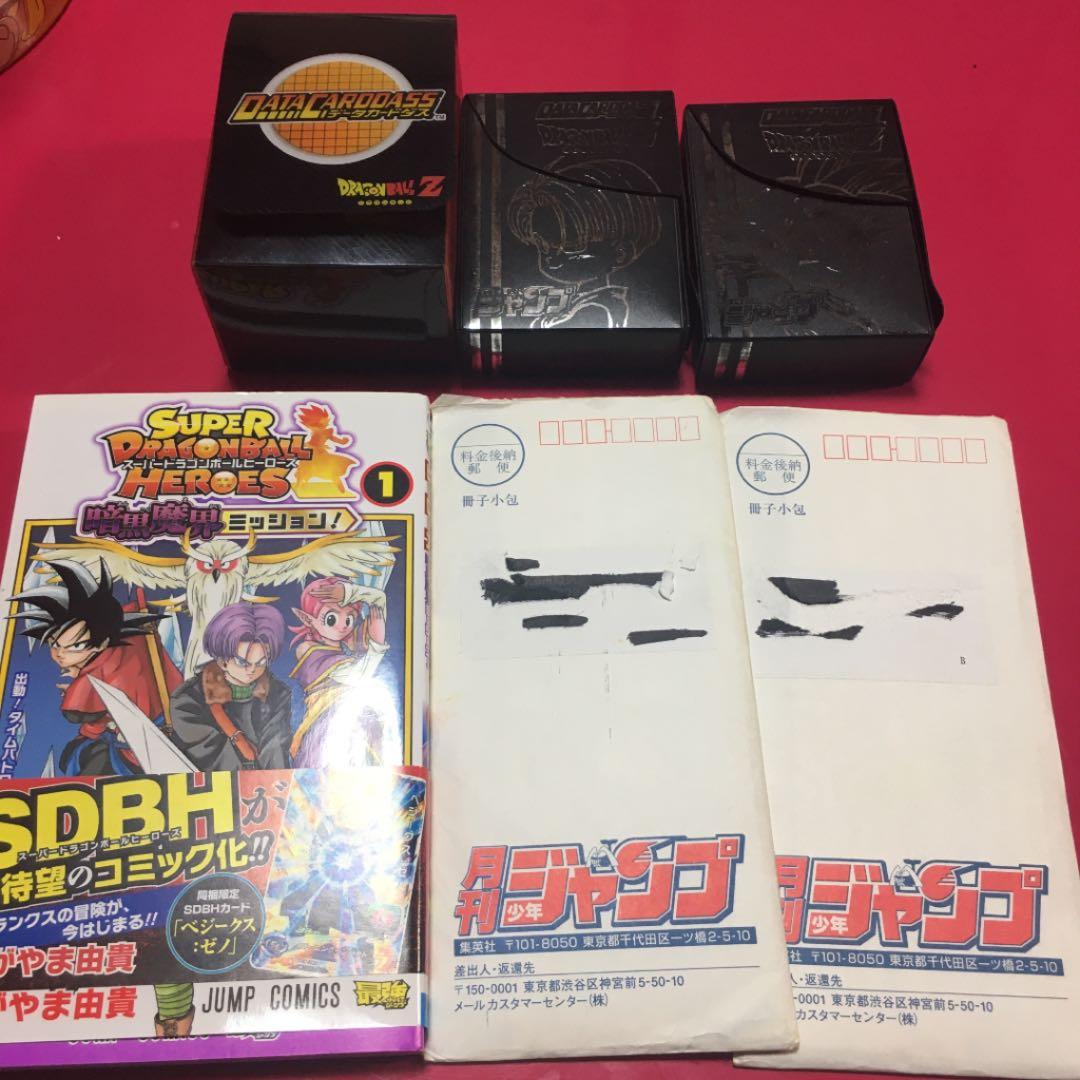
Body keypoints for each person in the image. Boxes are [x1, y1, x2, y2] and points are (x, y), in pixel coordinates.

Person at [7, 559, 181, 775]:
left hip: (146, 744)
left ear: (101, 642)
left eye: (76, 646)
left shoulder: (112, 664)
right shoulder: (111, 652)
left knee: (90, 764)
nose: (60, 654)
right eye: (55, 644)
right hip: (129, 734)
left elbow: (86, 707)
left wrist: (78, 691)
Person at [169, 602, 291, 772]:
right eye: (242, 662)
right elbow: (211, 758)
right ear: (222, 659)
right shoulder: (188, 700)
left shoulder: (277, 694)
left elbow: (275, 748)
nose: (252, 670)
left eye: (261, 662)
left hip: (265, 785)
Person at [288, 576, 390, 767]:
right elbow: (357, 676)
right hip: (324, 726)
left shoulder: (349, 643)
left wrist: (350, 593)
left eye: (349, 618)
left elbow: (379, 600)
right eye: (331, 618)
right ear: (307, 619)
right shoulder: (308, 650)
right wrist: (376, 647)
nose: (343, 625)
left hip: (357, 725)